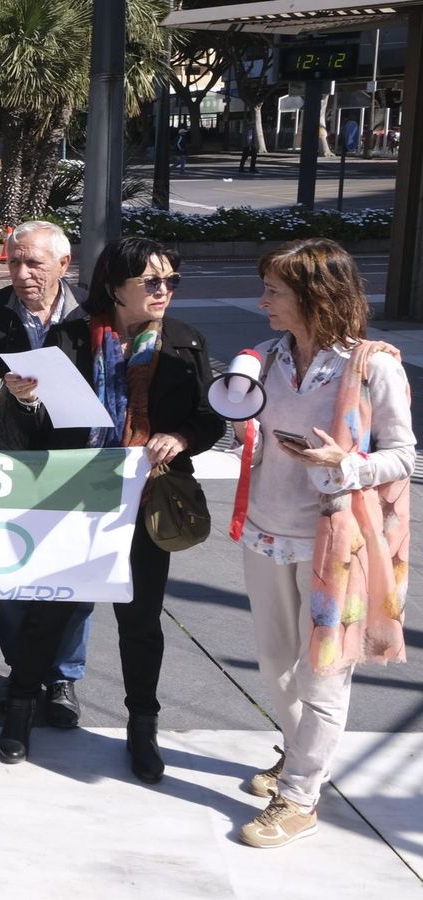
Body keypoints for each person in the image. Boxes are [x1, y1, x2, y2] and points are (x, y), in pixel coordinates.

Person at [0, 235, 225, 782]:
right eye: (151, 282)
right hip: (78, 496)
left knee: (140, 621)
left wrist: (181, 437)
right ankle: (22, 707)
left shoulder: (184, 342)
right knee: (50, 610)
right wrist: (24, 397)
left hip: (146, 502)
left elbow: (211, 417)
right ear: (114, 288)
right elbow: (36, 430)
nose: (164, 290)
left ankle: (141, 729)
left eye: (171, 280)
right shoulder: (71, 338)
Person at [232, 239, 412, 848]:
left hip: (335, 544)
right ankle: (300, 756)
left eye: (275, 292)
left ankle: (301, 798)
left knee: (325, 674)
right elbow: (252, 436)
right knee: (278, 664)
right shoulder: (265, 358)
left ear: (317, 298)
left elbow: (403, 456)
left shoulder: (372, 365)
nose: (263, 302)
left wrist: (347, 462)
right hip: (265, 530)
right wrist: (242, 430)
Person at [0, 220, 91, 729]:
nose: (23, 274)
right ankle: (21, 671)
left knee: (75, 577)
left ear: (63, 266)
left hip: (78, 463)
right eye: (15, 263)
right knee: (10, 578)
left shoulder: (91, 313)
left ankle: (62, 677)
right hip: (12, 461)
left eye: (35, 264)